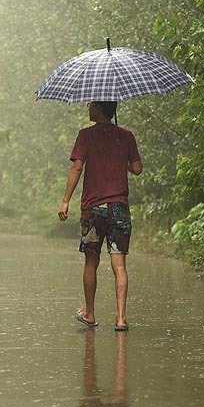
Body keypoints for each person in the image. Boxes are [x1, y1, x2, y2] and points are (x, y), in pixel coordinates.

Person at [59, 101, 142, 331]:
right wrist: (120, 159)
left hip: (93, 209)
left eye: (92, 104)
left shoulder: (85, 136)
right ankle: (121, 319)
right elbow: (137, 169)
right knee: (120, 264)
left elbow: (77, 168)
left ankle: (90, 314)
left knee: (91, 262)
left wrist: (66, 200)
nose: (88, 107)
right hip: (118, 208)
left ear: (99, 109)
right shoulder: (126, 136)